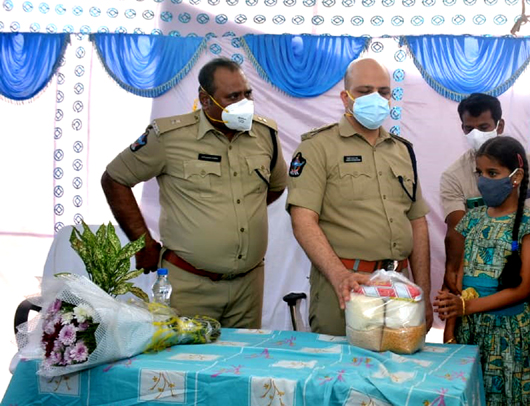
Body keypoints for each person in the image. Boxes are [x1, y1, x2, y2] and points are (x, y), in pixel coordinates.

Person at [101, 58, 288, 328]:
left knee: (241, 366)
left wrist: (234, 217)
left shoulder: (265, 133)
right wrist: (142, 243)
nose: (244, 103)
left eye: (247, 94)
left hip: (248, 287)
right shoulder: (169, 136)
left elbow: (274, 188)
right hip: (188, 285)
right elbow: (115, 178)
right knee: (182, 366)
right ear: (205, 98)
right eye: (233, 96)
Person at [287, 57, 432, 336]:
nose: (376, 98)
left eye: (383, 91)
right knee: (340, 375)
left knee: (397, 374)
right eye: (365, 91)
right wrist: (339, 276)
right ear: (346, 97)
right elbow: (303, 221)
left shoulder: (402, 151)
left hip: (399, 289)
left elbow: (417, 221)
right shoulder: (318, 148)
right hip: (344, 286)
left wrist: (422, 290)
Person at [434, 136, 530, 406]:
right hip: (470, 331)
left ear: (516, 177)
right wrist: (451, 325)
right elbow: (459, 279)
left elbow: (523, 289)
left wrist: (465, 306)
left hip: (508, 334)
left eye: (493, 174)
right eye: (480, 173)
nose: (484, 181)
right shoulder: (471, 220)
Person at [440, 93, 530, 342]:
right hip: (474, 296)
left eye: (484, 127)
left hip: (518, 292)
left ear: (500, 125)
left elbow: (525, 284)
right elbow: (458, 233)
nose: (476, 133)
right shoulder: (456, 180)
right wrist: (453, 276)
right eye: (469, 128)